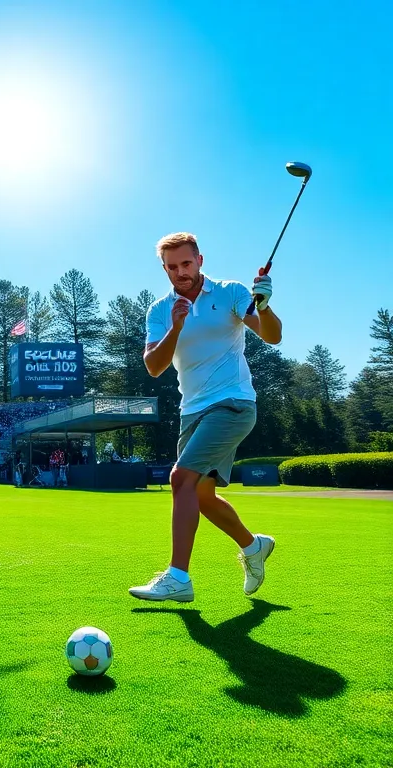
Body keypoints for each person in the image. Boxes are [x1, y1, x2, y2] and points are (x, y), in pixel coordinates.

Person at [130, 232, 281, 603]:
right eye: (172, 267)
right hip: (192, 410)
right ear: (164, 269)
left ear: (200, 260)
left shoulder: (230, 292)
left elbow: (272, 336)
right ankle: (253, 546)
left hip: (234, 403)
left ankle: (178, 578)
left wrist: (262, 305)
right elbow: (153, 366)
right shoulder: (159, 310)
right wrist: (176, 327)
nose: (181, 272)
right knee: (201, 495)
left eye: (186, 263)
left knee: (180, 478)